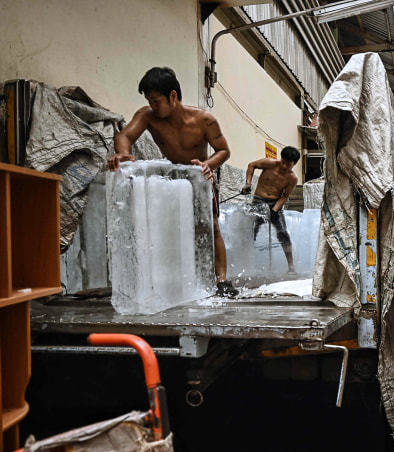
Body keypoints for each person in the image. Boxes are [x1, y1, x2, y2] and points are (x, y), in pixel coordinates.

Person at [107, 67, 238, 297]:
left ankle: (222, 280)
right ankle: (174, 278)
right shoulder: (147, 116)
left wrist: (209, 165)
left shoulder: (204, 120)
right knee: (173, 227)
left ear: (173, 96)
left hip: (200, 176)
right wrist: (122, 153)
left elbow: (224, 150)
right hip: (172, 178)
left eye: (156, 100)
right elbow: (125, 136)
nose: (153, 106)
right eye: (149, 100)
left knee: (211, 227)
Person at [241, 147, 300, 275]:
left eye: (288, 164)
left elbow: (285, 196)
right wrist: (248, 183)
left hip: (275, 204)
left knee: (283, 233)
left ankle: (291, 266)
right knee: (250, 232)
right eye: (283, 161)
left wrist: (274, 210)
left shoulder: (292, 178)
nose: (284, 166)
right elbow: (252, 165)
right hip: (258, 201)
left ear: (294, 164)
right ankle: (245, 264)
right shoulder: (270, 164)